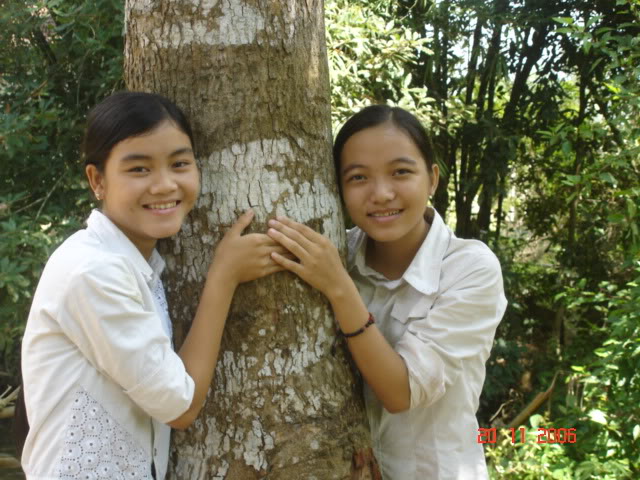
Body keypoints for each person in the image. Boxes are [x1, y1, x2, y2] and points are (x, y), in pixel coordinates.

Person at [20, 92, 286, 480]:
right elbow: (179, 405)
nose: (164, 185)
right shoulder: (92, 272)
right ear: (97, 180)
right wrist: (224, 276)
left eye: (179, 164)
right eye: (139, 169)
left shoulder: (136, 265)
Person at [266, 105, 507, 479]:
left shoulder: (469, 268)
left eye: (400, 172)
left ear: (432, 179)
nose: (381, 193)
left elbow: (400, 393)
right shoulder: (338, 253)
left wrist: (338, 287)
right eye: (358, 177)